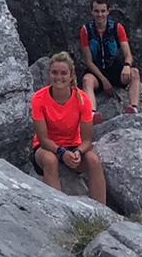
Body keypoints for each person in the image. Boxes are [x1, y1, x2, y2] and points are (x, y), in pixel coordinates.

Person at [30, 53, 106, 202]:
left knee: (93, 160)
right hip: (47, 147)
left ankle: (102, 212)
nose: (59, 77)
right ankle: (57, 207)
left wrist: (78, 152)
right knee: (50, 160)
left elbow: (87, 139)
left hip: (74, 145)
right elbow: (43, 139)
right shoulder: (38, 99)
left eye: (63, 73)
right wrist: (61, 152)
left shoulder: (82, 99)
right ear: (49, 75)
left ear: (71, 76)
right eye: (54, 73)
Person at [79, 0, 142, 113]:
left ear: (108, 11)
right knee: (87, 80)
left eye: (103, 11)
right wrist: (104, 80)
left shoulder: (117, 28)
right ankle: (91, 113)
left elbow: (128, 54)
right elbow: (88, 61)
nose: (100, 15)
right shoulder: (86, 30)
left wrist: (127, 65)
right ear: (91, 11)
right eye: (96, 11)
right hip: (97, 71)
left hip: (114, 67)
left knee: (134, 73)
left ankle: (133, 108)